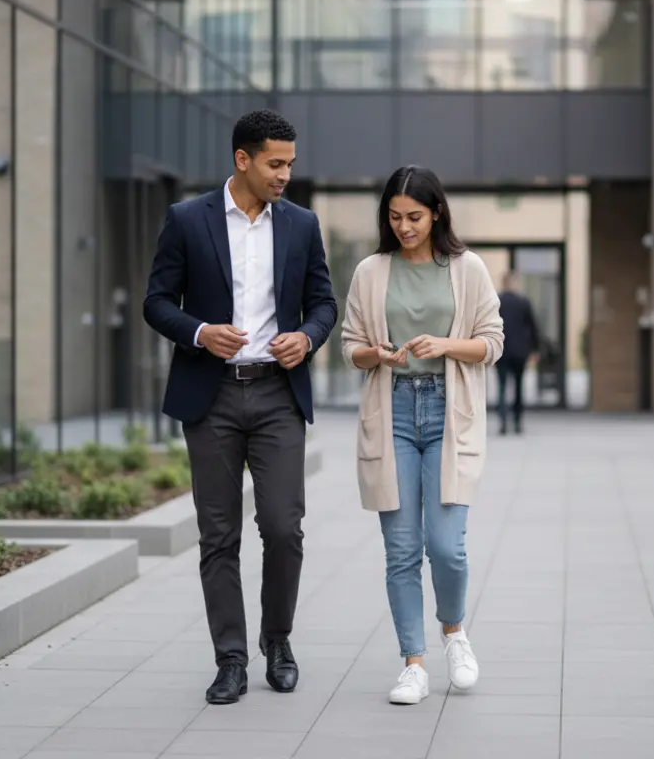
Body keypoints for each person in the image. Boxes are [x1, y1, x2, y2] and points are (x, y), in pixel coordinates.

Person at [143, 109, 337, 705]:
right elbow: (156, 302)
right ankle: (230, 660)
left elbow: (323, 302)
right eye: (276, 164)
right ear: (243, 160)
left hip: (279, 394)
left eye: (290, 165)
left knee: (283, 528)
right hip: (212, 396)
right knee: (217, 534)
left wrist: (306, 337)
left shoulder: (302, 225)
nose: (285, 175)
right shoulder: (186, 219)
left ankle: (277, 641)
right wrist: (199, 332)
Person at [340, 166, 505, 705]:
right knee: (402, 549)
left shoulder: (467, 268)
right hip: (391, 413)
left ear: (437, 212)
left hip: (445, 411)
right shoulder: (370, 270)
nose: (404, 226)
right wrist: (378, 354)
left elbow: (491, 343)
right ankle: (413, 662)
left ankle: (453, 632)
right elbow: (350, 347)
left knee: (446, 547)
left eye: (414, 216)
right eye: (394, 217)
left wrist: (445, 344)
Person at [495, 271, 541, 435]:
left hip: (501, 351)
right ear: (515, 284)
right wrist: (534, 349)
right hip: (520, 351)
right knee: (519, 386)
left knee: (501, 387)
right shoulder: (524, 302)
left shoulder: (496, 301)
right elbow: (533, 327)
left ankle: (503, 421)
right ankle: (518, 421)